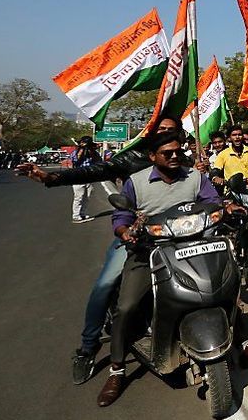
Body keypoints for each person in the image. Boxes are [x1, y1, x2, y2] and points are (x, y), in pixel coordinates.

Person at [96, 131, 248, 407]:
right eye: (168, 153)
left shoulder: (194, 177)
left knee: (228, 288)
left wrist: (227, 206)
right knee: (127, 306)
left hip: (198, 244)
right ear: (152, 156)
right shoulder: (136, 182)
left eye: (178, 151)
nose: (175, 156)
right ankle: (117, 369)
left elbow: (213, 200)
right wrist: (124, 230)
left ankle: (242, 342)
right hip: (149, 251)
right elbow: (122, 215)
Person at [18, 116, 187, 385]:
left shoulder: (184, 163)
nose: (167, 136)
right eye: (161, 130)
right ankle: (88, 347)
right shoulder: (131, 158)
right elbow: (94, 171)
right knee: (106, 285)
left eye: (172, 131)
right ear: (151, 134)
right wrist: (51, 177)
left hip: (180, 238)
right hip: (138, 239)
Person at [68, 137, 106, 224]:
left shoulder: (92, 153)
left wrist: (91, 151)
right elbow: (75, 160)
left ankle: (83, 213)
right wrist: (81, 150)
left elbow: (99, 161)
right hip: (78, 177)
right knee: (79, 197)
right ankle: (76, 216)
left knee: (88, 196)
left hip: (89, 177)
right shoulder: (76, 152)